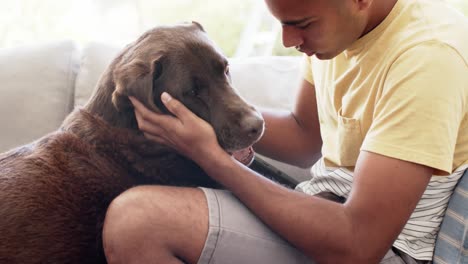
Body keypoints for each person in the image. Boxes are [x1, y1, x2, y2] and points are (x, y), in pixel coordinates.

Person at [101, 0, 468, 263]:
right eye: (281, 22)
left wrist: (212, 158)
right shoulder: (343, 32)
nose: (289, 41)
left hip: (382, 248)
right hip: (323, 205)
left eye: (303, 24)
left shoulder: (428, 58)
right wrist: (207, 119)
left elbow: (358, 245)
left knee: (137, 221)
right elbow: (305, 135)